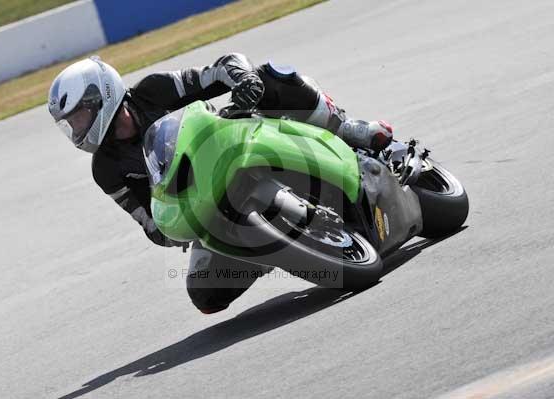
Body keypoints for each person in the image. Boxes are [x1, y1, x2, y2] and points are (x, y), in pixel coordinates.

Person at [47, 53, 393, 313]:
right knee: (205, 296)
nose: (77, 129)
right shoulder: (105, 170)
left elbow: (221, 68)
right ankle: (273, 249)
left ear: (102, 97)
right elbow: (149, 223)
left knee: (271, 77)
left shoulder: (155, 90)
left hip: (241, 144)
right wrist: (174, 228)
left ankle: (348, 131)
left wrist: (244, 81)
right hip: (209, 209)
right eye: (71, 123)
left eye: (79, 116)